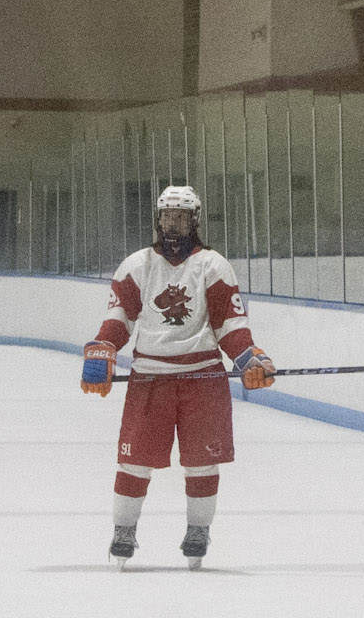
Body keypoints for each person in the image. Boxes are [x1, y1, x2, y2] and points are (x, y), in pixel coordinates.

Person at [80, 185, 277, 568]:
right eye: (167, 215)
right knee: (134, 461)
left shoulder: (213, 265)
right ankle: (124, 530)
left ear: (194, 220)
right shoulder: (137, 265)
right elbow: (119, 318)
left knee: (202, 462)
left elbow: (229, 324)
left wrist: (248, 356)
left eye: (181, 216)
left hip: (202, 380)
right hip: (149, 379)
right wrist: (103, 347)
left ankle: (198, 530)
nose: (173, 223)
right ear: (158, 219)